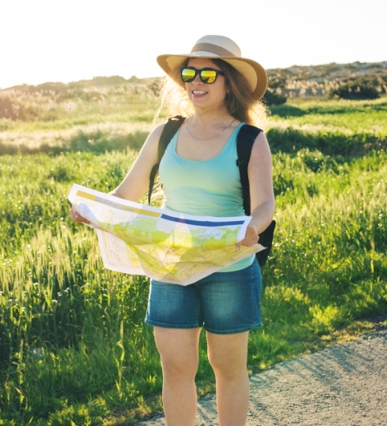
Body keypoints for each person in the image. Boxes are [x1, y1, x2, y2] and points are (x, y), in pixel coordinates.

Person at [70, 35, 274, 426]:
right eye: (189, 73)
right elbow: (125, 193)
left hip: (228, 269)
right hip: (170, 267)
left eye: (208, 74)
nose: (196, 81)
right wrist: (91, 210)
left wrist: (254, 227)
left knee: (227, 369)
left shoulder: (249, 138)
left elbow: (265, 203)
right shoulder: (166, 133)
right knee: (176, 368)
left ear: (230, 81)